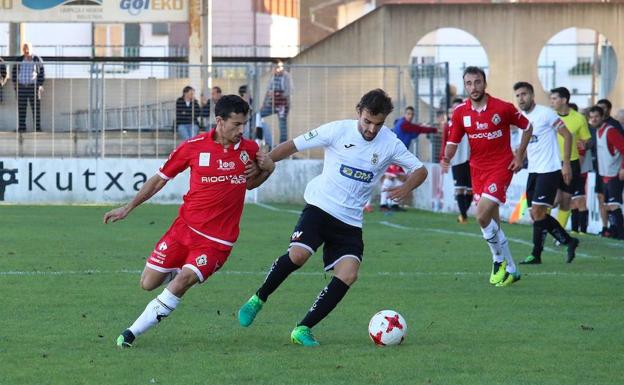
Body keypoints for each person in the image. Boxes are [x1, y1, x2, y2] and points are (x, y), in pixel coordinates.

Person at [238, 89, 428, 346]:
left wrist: (405, 188)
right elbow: (293, 145)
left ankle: (303, 328)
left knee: (348, 274)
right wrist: (264, 162)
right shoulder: (337, 130)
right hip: (319, 208)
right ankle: (258, 298)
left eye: (378, 124)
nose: (372, 129)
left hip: (349, 221)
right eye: (367, 121)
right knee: (298, 255)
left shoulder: (390, 142)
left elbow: (420, 169)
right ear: (358, 111)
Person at [105, 95, 275, 348]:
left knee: (182, 281)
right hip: (183, 230)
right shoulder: (193, 147)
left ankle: (131, 333)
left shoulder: (249, 150)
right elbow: (160, 179)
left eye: (244, 124)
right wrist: (128, 207)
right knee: (147, 283)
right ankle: (180, 270)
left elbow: (248, 184)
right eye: (236, 124)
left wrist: (268, 169)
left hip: (217, 241)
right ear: (219, 121)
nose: (242, 130)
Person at [441, 66, 532, 287]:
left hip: (501, 167)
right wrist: (445, 158)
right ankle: (512, 268)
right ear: (465, 86)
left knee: (481, 216)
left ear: (485, 83)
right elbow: (453, 141)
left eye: (477, 82)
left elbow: (528, 127)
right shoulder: (461, 112)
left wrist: (519, 156)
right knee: (493, 223)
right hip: (477, 170)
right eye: (469, 83)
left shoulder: (503, 108)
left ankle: (497, 260)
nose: (473, 87)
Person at [513, 82, 579, 265]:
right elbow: (524, 145)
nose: (521, 98)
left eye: (524, 94)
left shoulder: (546, 114)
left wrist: (566, 164)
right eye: (518, 95)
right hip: (533, 171)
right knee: (536, 215)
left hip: (549, 170)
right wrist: (518, 159)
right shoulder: (521, 118)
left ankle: (539, 253)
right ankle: (565, 242)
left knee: (538, 211)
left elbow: (567, 135)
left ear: (532, 95)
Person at [549, 87, 591, 234]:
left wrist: (584, 143)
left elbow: (586, 139)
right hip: (552, 162)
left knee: (566, 201)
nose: (551, 101)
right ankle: (544, 226)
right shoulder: (550, 116)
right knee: (553, 200)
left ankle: (558, 234)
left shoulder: (579, 118)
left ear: (564, 100)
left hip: (571, 164)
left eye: (554, 99)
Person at [589, 105, 624, 239]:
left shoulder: (610, 131)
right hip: (605, 174)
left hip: (614, 173)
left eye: (596, 117)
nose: (593, 120)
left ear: (603, 117)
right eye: (591, 117)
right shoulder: (597, 132)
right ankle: (615, 231)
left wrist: (622, 168)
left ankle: (620, 234)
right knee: (608, 205)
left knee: (614, 205)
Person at [440, 98, 472, 223]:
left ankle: (463, 214)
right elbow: (444, 142)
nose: (456, 110)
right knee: (459, 188)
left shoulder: (470, 121)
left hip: (471, 160)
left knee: (470, 189)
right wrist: (443, 158)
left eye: (459, 107)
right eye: (454, 108)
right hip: (457, 159)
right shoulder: (448, 125)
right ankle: (463, 216)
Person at [11, 42, 45, 132]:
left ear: (31, 49)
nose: (26, 50)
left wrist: (40, 85)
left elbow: (42, 73)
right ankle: (22, 127)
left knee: (35, 108)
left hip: (33, 87)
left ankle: (37, 128)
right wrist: (15, 84)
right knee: (22, 108)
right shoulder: (19, 59)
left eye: (28, 48)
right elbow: (14, 72)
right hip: (21, 87)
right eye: (24, 48)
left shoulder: (37, 59)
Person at [260, 60, 293, 143]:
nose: (275, 69)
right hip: (272, 104)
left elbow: (289, 91)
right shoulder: (272, 77)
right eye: (274, 67)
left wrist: (287, 104)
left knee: (282, 126)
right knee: (258, 115)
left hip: (282, 105)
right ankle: (257, 136)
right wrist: (264, 104)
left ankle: (282, 146)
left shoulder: (286, 76)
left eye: (277, 67)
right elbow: (268, 91)